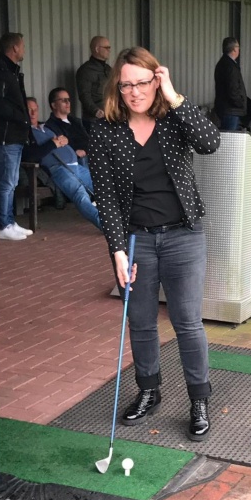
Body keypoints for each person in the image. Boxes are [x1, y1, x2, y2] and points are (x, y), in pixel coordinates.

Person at [88, 46, 220, 442]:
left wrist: (174, 96)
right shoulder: (105, 129)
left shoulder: (173, 117)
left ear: (156, 80)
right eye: (126, 85)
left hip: (183, 236)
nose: (134, 92)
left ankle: (199, 399)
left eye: (142, 83)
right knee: (141, 321)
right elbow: (106, 196)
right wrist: (117, 250)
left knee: (187, 322)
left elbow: (210, 142)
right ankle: (149, 390)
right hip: (136, 239)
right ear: (117, 88)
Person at [0, 32, 33, 241]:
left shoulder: (11, 71)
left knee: (11, 181)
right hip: (6, 136)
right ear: (14, 48)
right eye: (22, 46)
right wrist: (21, 117)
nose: (24, 50)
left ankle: (10, 221)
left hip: (15, 135)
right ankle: (3, 225)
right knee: (6, 182)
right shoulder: (0, 71)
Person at [22, 97, 101, 230]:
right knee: (80, 194)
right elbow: (30, 155)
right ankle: (106, 225)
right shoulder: (24, 132)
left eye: (35, 109)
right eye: (29, 110)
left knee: (103, 187)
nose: (33, 113)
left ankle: (123, 220)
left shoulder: (46, 126)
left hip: (76, 165)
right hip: (59, 168)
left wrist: (65, 140)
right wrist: (52, 144)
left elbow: (65, 139)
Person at [76, 36, 112, 133]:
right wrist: (95, 111)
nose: (109, 50)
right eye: (106, 48)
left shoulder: (109, 69)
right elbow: (84, 95)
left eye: (109, 48)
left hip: (110, 117)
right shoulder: (86, 70)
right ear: (97, 49)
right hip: (94, 120)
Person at [45, 89, 90, 166]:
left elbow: (87, 139)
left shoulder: (76, 121)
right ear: (54, 105)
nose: (68, 102)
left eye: (68, 99)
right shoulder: (50, 126)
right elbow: (61, 147)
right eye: (63, 100)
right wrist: (75, 151)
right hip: (75, 161)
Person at [214, 37, 247, 130]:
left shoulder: (222, 63)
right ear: (234, 49)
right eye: (238, 47)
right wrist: (241, 104)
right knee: (231, 136)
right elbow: (233, 90)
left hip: (225, 109)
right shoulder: (231, 67)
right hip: (231, 110)